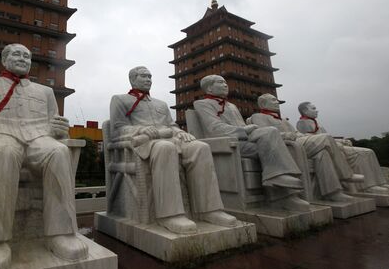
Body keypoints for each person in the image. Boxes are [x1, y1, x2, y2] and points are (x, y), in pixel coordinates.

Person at [0, 43, 87, 269]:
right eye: (17, 54)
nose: (23, 58)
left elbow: (55, 125)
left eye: (27, 56)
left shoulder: (45, 91)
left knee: (59, 152)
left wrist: (61, 130)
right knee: (4, 153)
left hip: (38, 138)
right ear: (4, 59)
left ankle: (61, 233)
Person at [109, 66, 237, 234]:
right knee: (165, 148)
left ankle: (208, 210)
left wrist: (181, 133)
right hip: (144, 143)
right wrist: (139, 130)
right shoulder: (120, 100)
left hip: (171, 137)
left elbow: (171, 125)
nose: (148, 79)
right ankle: (169, 215)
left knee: (200, 147)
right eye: (143, 76)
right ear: (132, 79)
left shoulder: (160, 104)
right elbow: (117, 129)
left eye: (150, 76)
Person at [193, 76, 309, 211]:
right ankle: (281, 187)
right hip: (230, 141)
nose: (226, 85)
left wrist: (249, 129)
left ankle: (281, 187)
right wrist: (244, 130)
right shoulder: (202, 104)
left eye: (225, 82)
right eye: (220, 82)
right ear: (209, 88)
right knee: (270, 140)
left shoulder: (232, 106)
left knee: (271, 132)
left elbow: (243, 126)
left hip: (245, 138)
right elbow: (214, 128)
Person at [250, 94, 359, 201]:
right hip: (286, 145)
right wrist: (285, 135)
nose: (277, 102)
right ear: (263, 103)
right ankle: (346, 175)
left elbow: (297, 133)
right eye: (273, 100)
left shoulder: (283, 120)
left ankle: (333, 192)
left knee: (322, 153)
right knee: (326, 138)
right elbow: (265, 134)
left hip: (299, 141)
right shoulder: (258, 117)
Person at [297, 102, 389, 194]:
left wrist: (342, 141)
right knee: (360, 154)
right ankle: (367, 186)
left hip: (334, 146)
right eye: (313, 108)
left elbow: (328, 139)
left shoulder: (316, 124)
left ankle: (379, 182)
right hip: (328, 149)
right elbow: (314, 140)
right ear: (305, 111)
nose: (316, 110)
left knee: (369, 152)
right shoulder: (303, 123)